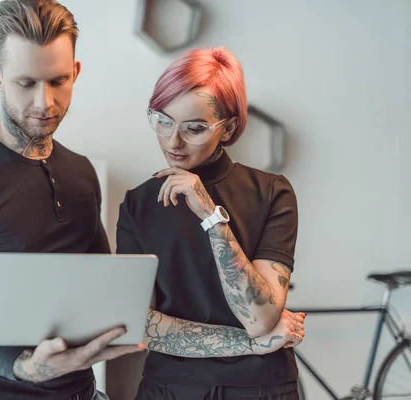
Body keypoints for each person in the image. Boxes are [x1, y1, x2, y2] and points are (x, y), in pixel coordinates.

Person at [0, 1, 143, 399]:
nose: (44, 103)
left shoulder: (82, 172)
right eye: (26, 83)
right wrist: (23, 366)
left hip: (79, 391)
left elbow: (100, 286)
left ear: (76, 72)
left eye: (58, 80)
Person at [117, 46, 306, 399]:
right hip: (170, 388)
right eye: (163, 120)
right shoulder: (138, 204)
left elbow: (260, 318)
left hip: (260, 389)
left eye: (194, 128)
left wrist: (211, 216)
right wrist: (251, 345)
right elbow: (141, 324)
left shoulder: (271, 192)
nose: (173, 141)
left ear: (229, 127)